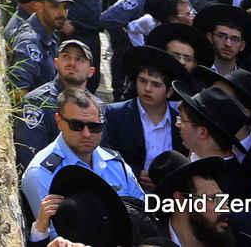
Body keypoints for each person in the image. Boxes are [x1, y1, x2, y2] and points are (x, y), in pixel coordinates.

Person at [21, 89, 143, 230]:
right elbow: (54, 237)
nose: (86, 134)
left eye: (94, 126)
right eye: (76, 126)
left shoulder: (115, 163)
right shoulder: (42, 173)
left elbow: (143, 213)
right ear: (59, 122)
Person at [101, 45, 188, 183]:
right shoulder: (115, 114)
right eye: (142, 81)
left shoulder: (181, 120)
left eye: (156, 85)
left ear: (169, 92)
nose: (147, 89)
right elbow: (105, 155)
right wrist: (136, 174)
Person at [15, 39, 97, 172]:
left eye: (80, 59)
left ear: (91, 71)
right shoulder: (37, 102)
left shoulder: (98, 107)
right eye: (66, 57)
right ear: (56, 63)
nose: (72, 63)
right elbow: (28, 156)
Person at [145, 152, 234, 247]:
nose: (225, 208)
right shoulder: (148, 242)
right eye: (213, 199)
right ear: (180, 200)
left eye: (223, 200)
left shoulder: (238, 241)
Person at [10, 0, 73, 95]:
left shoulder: (50, 31)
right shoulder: (30, 41)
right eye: (55, 7)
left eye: (65, 7)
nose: (62, 13)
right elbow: (18, 91)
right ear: (39, 7)